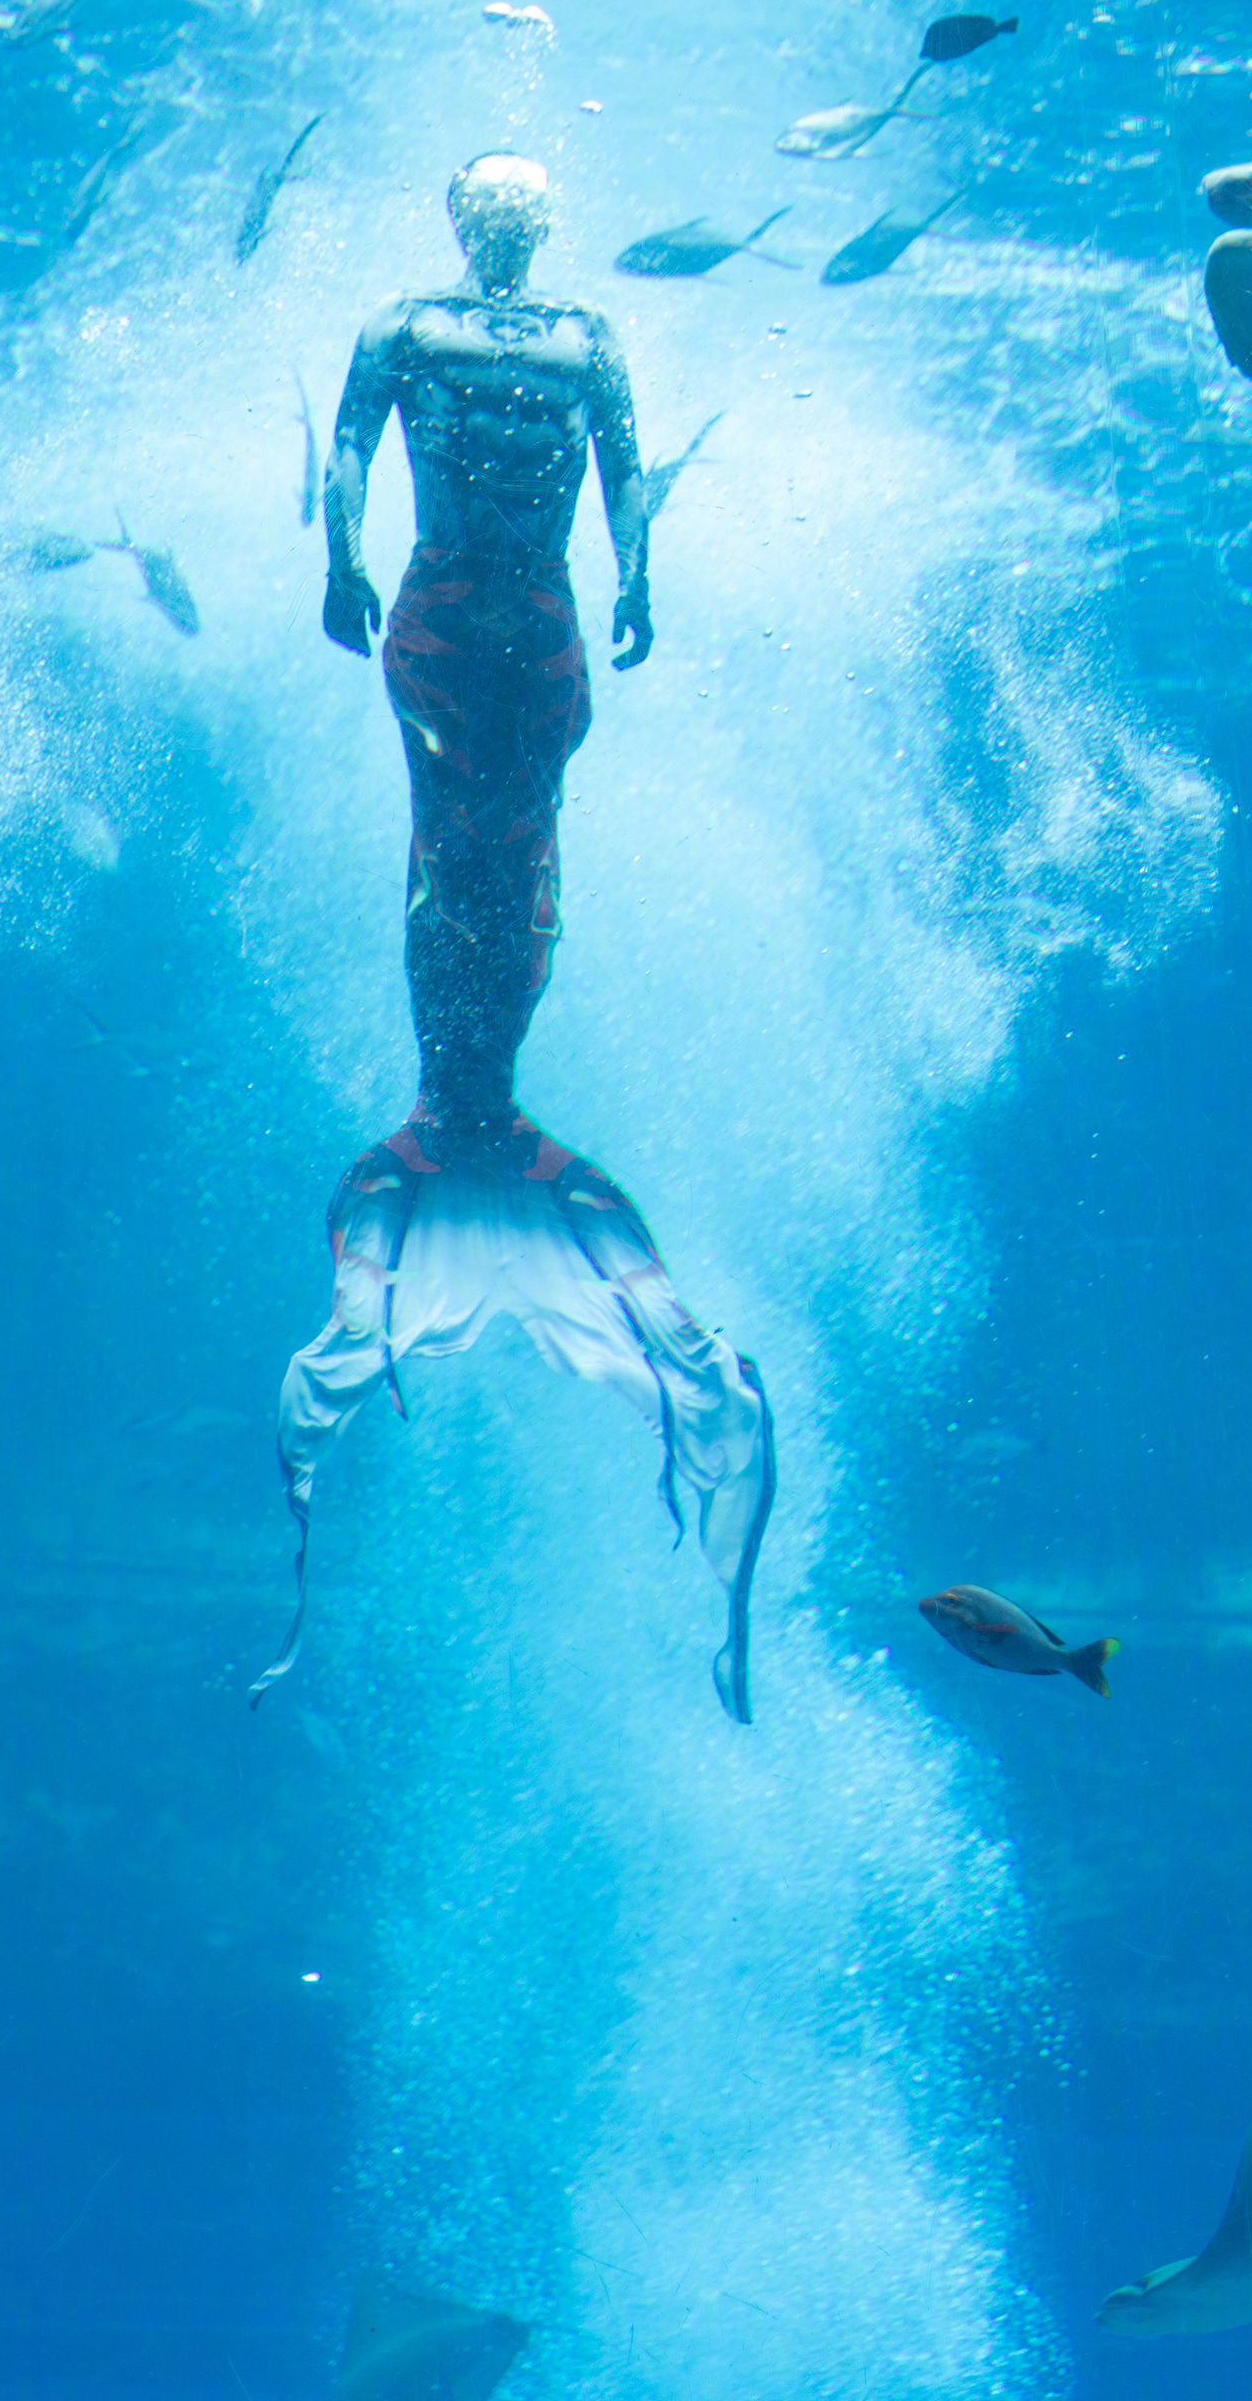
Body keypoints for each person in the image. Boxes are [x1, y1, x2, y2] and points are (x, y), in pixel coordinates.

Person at [254, 157, 775, 1723]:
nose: (504, 228)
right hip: (513, 607)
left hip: (474, 600)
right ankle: (471, 1128)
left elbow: (401, 459)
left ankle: (459, 1127)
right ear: (515, 224)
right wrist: (632, 578)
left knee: (478, 853)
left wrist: (347, 559)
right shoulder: (555, 336)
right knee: (497, 853)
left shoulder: (427, 324)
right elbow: (601, 472)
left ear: (482, 223)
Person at [321, 151, 650, 1141]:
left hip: (536, 605)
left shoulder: (587, 333)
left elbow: (624, 466)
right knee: (449, 842)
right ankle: (445, 1088)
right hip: (446, 599)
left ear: (544, 222)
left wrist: (637, 575)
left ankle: (485, 1086)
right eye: (494, 199)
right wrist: (341, 562)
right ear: (459, 215)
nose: (509, 215)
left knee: (523, 849)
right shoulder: (404, 322)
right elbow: (349, 444)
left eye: (525, 201)